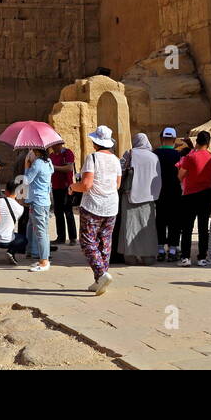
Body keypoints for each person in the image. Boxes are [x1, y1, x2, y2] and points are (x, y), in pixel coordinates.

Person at [70, 126, 123, 294]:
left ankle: (101, 273)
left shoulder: (92, 158)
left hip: (93, 205)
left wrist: (72, 187)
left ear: (95, 142)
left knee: (87, 241)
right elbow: (117, 184)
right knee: (104, 243)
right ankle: (99, 279)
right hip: (111, 205)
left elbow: (86, 185)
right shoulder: (115, 159)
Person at [118, 133, 161, 264]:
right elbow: (158, 178)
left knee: (129, 226)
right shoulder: (154, 157)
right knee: (147, 229)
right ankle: (148, 256)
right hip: (149, 197)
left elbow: (120, 170)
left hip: (130, 195)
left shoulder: (130, 154)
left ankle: (130, 257)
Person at [176, 131, 211, 267]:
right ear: (209, 143)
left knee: (187, 227)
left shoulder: (190, 157)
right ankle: (202, 257)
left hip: (190, 194)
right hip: (206, 194)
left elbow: (180, 176)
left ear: (197, 142)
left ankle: (186, 257)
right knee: (203, 227)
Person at [153, 127, 183, 262]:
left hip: (159, 192)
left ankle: (160, 249)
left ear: (161, 138)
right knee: (174, 221)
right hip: (175, 192)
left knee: (160, 220)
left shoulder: (155, 154)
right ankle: (172, 250)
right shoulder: (179, 155)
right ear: (175, 140)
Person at [24, 145, 54, 271]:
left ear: (36, 151)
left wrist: (27, 166)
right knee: (44, 231)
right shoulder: (49, 162)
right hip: (45, 200)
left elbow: (26, 180)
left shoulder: (37, 163)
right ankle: (44, 257)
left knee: (40, 232)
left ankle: (44, 261)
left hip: (37, 200)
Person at [0, 178, 25, 264]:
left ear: (6, 190)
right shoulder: (20, 208)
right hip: (7, 241)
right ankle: (11, 251)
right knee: (23, 239)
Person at [50, 137, 77, 246]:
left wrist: (53, 167)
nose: (53, 147)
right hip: (56, 187)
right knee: (58, 212)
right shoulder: (51, 156)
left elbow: (69, 168)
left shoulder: (68, 153)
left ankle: (73, 237)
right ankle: (60, 237)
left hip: (66, 187)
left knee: (68, 212)